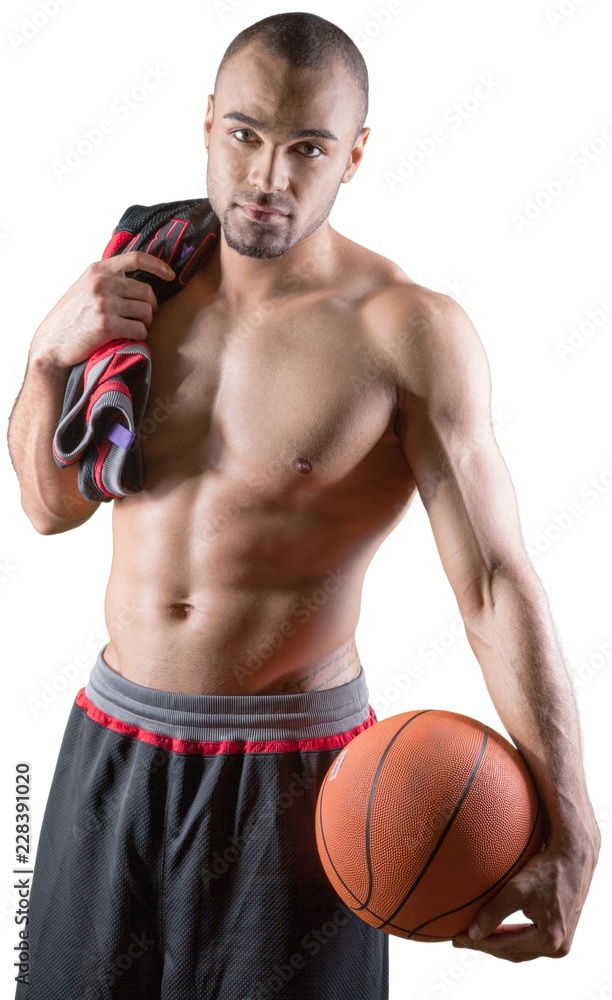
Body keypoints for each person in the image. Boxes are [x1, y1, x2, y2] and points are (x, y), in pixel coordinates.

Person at [7, 10, 600, 999]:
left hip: (296, 784)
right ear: (206, 125)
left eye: (307, 148)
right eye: (245, 135)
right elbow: (46, 509)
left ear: (355, 154)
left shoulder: (406, 332)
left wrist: (574, 823)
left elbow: (494, 584)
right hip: (110, 745)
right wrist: (42, 359)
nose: (268, 177)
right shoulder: (142, 282)